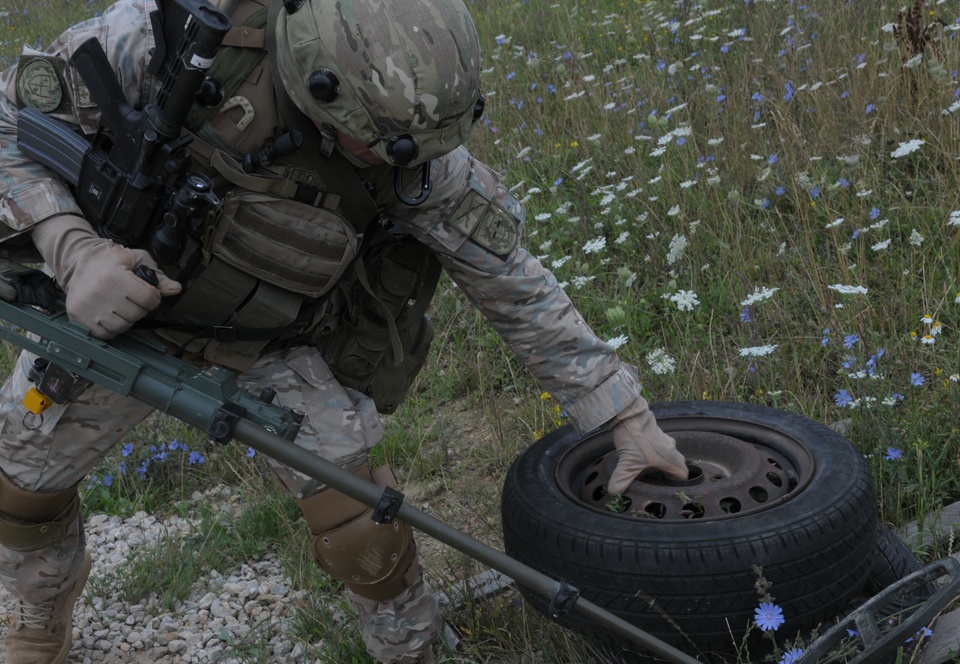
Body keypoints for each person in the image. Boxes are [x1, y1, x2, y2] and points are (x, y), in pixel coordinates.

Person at [0, 0, 689, 661]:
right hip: (113, 317)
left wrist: (621, 413)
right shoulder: (157, 39)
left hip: (276, 344)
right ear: (318, 84)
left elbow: (509, 280)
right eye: (377, 146)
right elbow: (9, 123)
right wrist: (74, 250)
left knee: (366, 533)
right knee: (19, 493)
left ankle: (409, 649)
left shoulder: (412, 147)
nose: (397, 164)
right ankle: (43, 605)